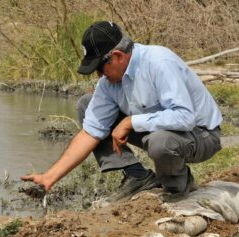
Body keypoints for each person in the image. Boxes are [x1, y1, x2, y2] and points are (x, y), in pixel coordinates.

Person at [21, 21, 222, 201]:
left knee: (161, 142)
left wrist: (130, 122)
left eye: (100, 68)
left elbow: (185, 117)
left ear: (117, 56)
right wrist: (50, 177)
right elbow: (91, 132)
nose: (99, 75)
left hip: (201, 134)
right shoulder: (108, 82)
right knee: (86, 104)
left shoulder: (159, 62)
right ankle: (138, 176)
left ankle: (177, 186)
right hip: (162, 131)